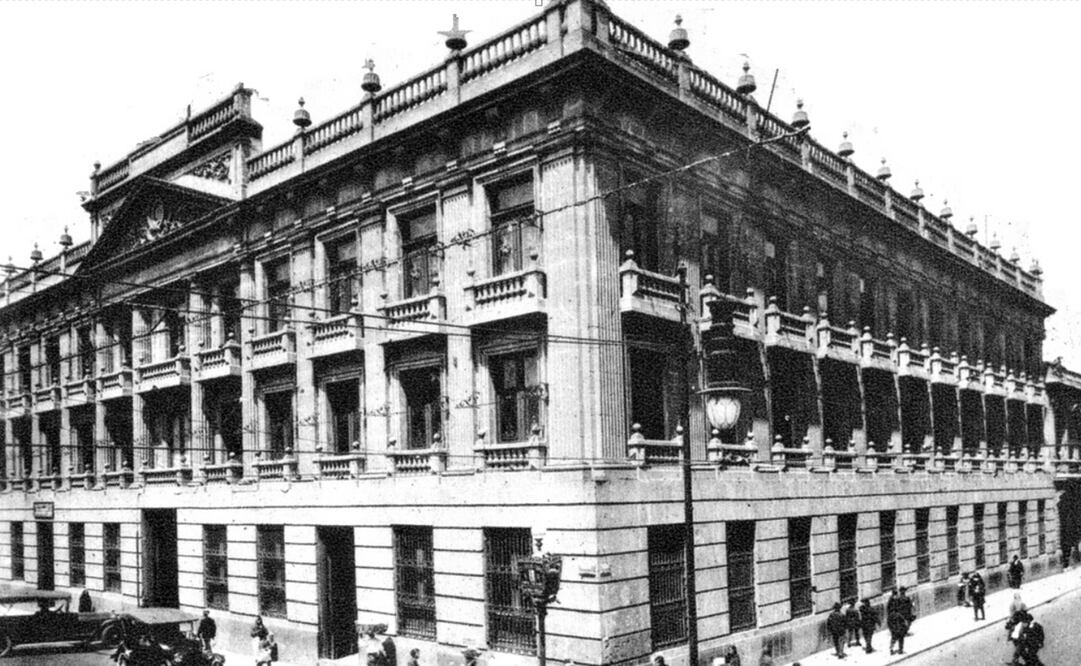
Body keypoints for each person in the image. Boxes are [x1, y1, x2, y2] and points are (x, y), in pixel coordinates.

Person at [886, 589, 908, 655]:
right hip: (896, 625)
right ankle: (899, 649)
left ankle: (892, 649)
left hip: (894, 625)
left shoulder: (892, 600)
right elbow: (903, 621)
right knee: (900, 637)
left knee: (894, 637)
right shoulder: (898, 614)